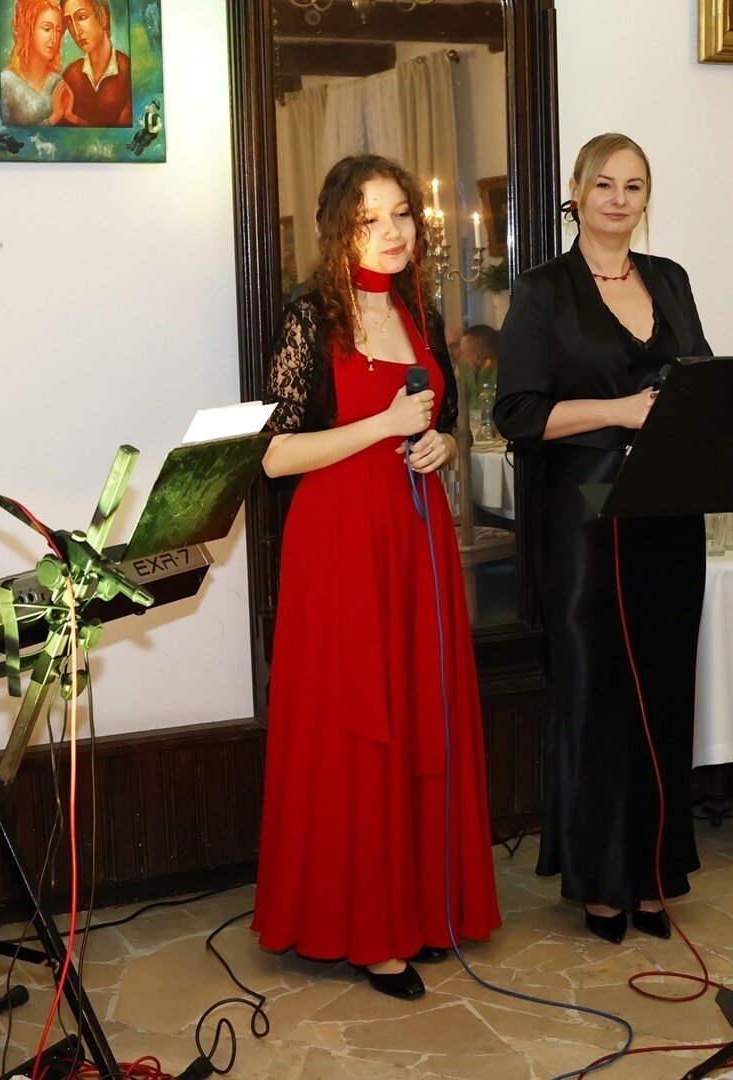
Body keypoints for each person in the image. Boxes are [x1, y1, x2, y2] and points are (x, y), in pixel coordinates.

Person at [251, 154, 500, 1001]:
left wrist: (442, 445)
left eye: (401, 215)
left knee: (420, 714)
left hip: (415, 541)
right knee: (360, 723)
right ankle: (365, 930)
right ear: (339, 230)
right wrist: (383, 424)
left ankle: (421, 908)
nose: (392, 232)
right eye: (371, 219)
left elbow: (445, 422)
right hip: (338, 548)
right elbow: (274, 456)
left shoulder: (419, 310)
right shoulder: (308, 318)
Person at [493, 133, 709, 945]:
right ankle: (599, 883)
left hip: (668, 510)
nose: (620, 199)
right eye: (605, 184)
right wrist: (619, 411)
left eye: (635, 186)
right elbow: (516, 413)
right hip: (581, 523)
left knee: (664, 691)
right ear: (577, 193)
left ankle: (654, 875)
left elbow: (701, 377)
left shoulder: (670, 278)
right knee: (595, 695)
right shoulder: (543, 290)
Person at [1, 0, 77, 127]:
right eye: (47, 29)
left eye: (59, 30)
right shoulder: (7, 81)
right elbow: (5, 133)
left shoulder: (58, 83)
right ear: (28, 30)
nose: (54, 39)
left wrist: (68, 115)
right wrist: (53, 118)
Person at [58, 0, 132, 127]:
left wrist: (76, 120)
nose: (76, 31)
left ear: (102, 17)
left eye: (81, 17)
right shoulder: (70, 75)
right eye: (69, 22)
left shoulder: (129, 71)